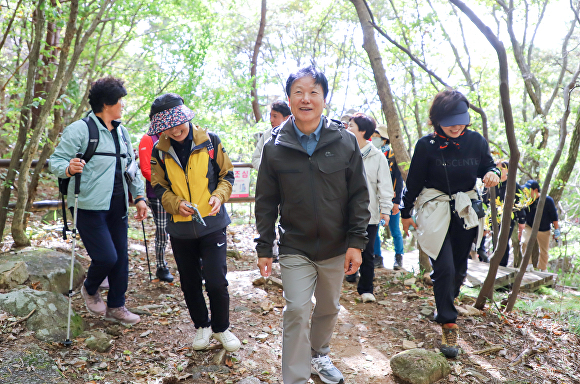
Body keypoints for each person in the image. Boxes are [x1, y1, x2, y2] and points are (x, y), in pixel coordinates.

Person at [255, 65, 370, 384]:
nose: (306, 99)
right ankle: (294, 378)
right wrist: (264, 247)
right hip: (295, 245)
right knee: (296, 310)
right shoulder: (274, 147)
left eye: (313, 92)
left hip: (336, 246)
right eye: (298, 93)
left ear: (323, 98)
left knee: (328, 309)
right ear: (289, 99)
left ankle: (319, 355)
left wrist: (356, 242)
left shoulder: (345, 141)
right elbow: (265, 201)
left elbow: (359, 195)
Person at [400, 90, 500, 358]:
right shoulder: (426, 146)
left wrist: (493, 174)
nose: (457, 126)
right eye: (451, 120)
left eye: (462, 119)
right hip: (435, 208)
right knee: (442, 266)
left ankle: (447, 301)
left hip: (465, 209)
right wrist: (405, 212)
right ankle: (448, 322)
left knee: (458, 268)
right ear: (437, 119)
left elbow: (490, 166)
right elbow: (413, 182)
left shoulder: (475, 141)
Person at [49, 76, 147, 325]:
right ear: (106, 104)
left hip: (118, 206)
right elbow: (56, 161)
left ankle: (116, 306)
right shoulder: (79, 130)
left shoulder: (122, 133)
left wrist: (139, 197)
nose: (122, 106)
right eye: (119, 102)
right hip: (89, 205)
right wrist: (69, 168)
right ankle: (90, 288)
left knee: (121, 258)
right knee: (106, 257)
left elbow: (131, 168)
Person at [148, 93, 240, 352]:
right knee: (189, 282)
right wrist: (177, 204)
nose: (175, 130)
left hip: (212, 223)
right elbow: (158, 186)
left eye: (178, 124)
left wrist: (218, 196)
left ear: (186, 117)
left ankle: (222, 328)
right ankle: (202, 326)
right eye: (168, 126)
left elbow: (227, 175)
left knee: (215, 280)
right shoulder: (160, 150)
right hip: (180, 228)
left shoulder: (210, 142)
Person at [346, 113, 393, 302]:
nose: (347, 128)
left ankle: (366, 289)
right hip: (344, 213)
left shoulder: (378, 157)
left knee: (368, 252)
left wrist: (386, 210)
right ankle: (348, 273)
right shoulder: (345, 152)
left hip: (369, 214)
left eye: (351, 126)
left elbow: (385, 186)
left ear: (362, 131)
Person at [139, 132, 173, 282]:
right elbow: (147, 169)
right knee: (163, 231)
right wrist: (167, 184)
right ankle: (161, 265)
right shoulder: (149, 139)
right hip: (158, 193)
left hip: (181, 193)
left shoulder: (176, 134)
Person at [371, 124, 405, 270]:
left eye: (376, 136)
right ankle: (377, 257)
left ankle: (399, 257)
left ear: (384, 140)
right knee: (374, 229)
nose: (373, 139)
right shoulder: (372, 154)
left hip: (391, 200)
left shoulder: (393, 156)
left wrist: (397, 202)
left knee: (395, 230)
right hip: (375, 199)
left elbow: (399, 180)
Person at [482, 160, 526, 267]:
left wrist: (522, 222)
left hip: (508, 219)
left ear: (507, 170)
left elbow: (520, 205)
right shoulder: (491, 183)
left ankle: (502, 267)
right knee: (495, 240)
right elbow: (484, 201)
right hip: (492, 217)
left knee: (503, 242)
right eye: (497, 169)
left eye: (501, 169)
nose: (499, 171)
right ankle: (494, 265)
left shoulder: (513, 185)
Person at [520, 180, 560, 272]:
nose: (526, 191)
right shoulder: (526, 200)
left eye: (528, 190)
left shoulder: (547, 200)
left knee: (544, 251)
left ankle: (542, 268)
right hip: (530, 226)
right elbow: (522, 214)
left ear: (535, 190)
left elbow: (554, 216)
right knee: (524, 242)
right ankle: (528, 264)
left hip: (544, 229)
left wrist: (556, 230)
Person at [251, 100, 292, 171]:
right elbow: (255, 158)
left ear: (287, 118)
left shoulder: (295, 135)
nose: (271, 120)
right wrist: (267, 170)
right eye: (270, 116)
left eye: (275, 116)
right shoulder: (267, 135)